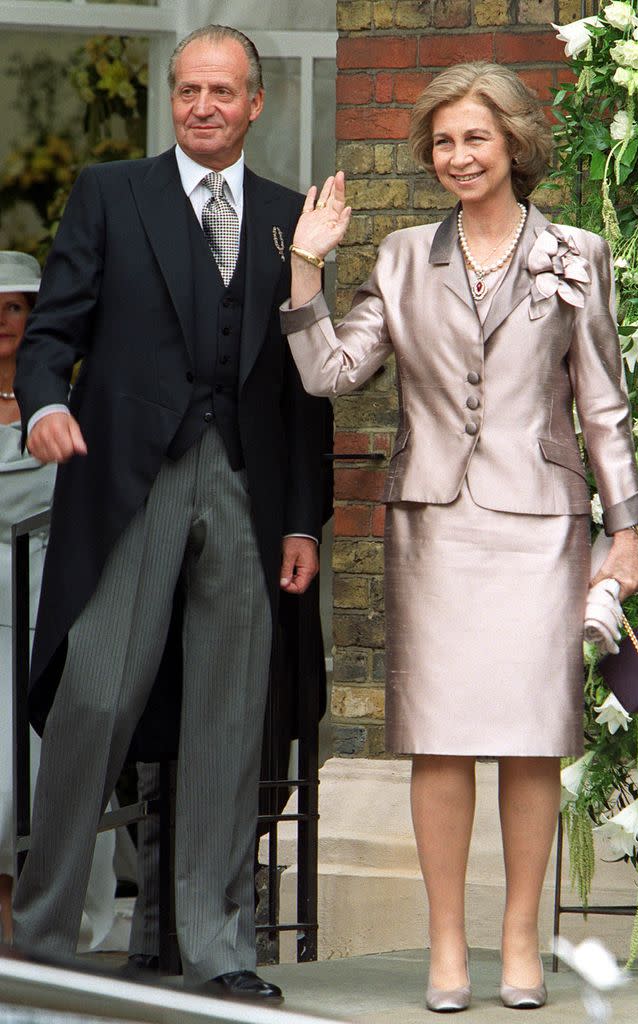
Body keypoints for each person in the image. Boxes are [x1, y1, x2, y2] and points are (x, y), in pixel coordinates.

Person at [280, 62, 638, 1012]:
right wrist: (307, 266)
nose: (458, 156)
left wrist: (627, 531)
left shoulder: (578, 251)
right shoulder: (403, 257)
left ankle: (519, 939)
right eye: (442, 141)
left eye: (475, 138)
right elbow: (331, 373)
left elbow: (603, 407)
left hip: (542, 529)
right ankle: (446, 944)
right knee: (438, 743)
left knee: (532, 741)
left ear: (513, 144)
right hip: (435, 530)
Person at [12, 25, 328, 1003]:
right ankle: (44, 933)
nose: (200, 104)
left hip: (245, 484)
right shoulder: (111, 194)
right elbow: (52, 331)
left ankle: (217, 944)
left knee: (232, 719)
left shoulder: (288, 219)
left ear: (254, 104)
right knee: (95, 699)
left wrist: (304, 522)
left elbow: (303, 392)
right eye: (187, 88)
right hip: (129, 481)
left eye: (221, 91)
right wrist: (47, 404)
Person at [0, 251, 119, 954]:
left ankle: (45, 931)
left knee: (56, 773)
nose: (2, 322)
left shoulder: (67, 406)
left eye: (15, 306)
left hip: (57, 607)